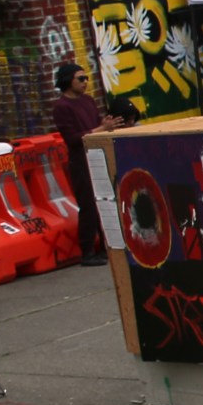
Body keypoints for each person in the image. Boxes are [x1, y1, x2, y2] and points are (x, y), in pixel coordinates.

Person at [49, 62, 120, 266]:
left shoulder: (88, 101)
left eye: (86, 78)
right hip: (80, 161)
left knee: (103, 201)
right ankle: (87, 250)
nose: (85, 82)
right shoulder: (62, 107)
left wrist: (106, 126)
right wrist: (101, 129)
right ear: (67, 81)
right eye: (80, 78)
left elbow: (97, 125)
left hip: (97, 157)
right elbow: (72, 138)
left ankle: (104, 246)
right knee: (88, 205)